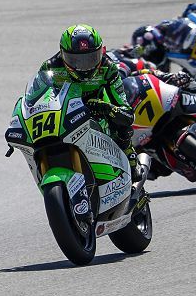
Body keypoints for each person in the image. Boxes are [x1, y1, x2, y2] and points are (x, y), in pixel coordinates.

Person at [39, 25, 139, 180]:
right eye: (76, 60)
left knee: (122, 126)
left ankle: (130, 160)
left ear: (100, 52)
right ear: (63, 54)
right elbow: (40, 98)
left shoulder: (108, 67)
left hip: (98, 109)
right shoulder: (50, 67)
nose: (84, 67)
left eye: (90, 59)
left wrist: (107, 108)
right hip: (64, 111)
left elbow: (127, 113)